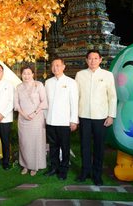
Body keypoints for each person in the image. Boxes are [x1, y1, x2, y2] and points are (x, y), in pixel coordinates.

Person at [75, 49, 117, 186]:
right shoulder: (80, 75)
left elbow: (112, 96)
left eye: (95, 58)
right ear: (86, 60)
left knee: (99, 146)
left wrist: (111, 115)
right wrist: (75, 116)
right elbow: (76, 97)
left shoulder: (108, 75)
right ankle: (85, 172)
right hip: (84, 116)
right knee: (85, 146)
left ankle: (97, 174)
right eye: (90, 58)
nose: (92, 61)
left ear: (100, 60)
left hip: (101, 116)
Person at [44, 58, 78, 180]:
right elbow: (46, 103)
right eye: (53, 65)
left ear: (64, 67)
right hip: (51, 120)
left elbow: (74, 103)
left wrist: (74, 120)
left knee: (65, 147)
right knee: (53, 147)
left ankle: (63, 170)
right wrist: (45, 118)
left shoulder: (71, 82)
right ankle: (54, 168)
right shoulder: (48, 82)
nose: (55, 68)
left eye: (58, 65)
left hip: (64, 121)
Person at [14, 65, 48, 176]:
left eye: (29, 73)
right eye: (24, 73)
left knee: (35, 143)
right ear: (21, 75)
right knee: (24, 143)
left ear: (33, 74)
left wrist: (34, 113)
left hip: (36, 119)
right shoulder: (18, 87)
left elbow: (44, 102)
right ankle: (25, 165)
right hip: (23, 119)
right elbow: (16, 104)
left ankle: (35, 166)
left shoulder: (39, 85)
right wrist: (24, 114)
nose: (26, 76)